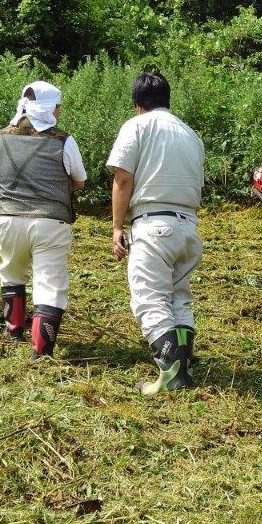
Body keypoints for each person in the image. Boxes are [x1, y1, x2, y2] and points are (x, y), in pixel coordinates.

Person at [106, 72, 205, 397]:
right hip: (188, 225)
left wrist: (118, 226)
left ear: (138, 105)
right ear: (167, 99)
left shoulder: (136, 126)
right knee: (178, 296)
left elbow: (123, 179)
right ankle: (184, 367)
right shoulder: (190, 134)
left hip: (153, 224)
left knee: (150, 298)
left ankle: (172, 376)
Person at [0, 81, 86, 360]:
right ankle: (41, 351)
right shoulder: (63, 141)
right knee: (49, 283)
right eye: (58, 106)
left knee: (11, 272)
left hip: (9, 219)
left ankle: (13, 331)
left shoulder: (0, 138)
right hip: (50, 222)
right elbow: (79, 181)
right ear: (49, 108)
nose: (59, 112)